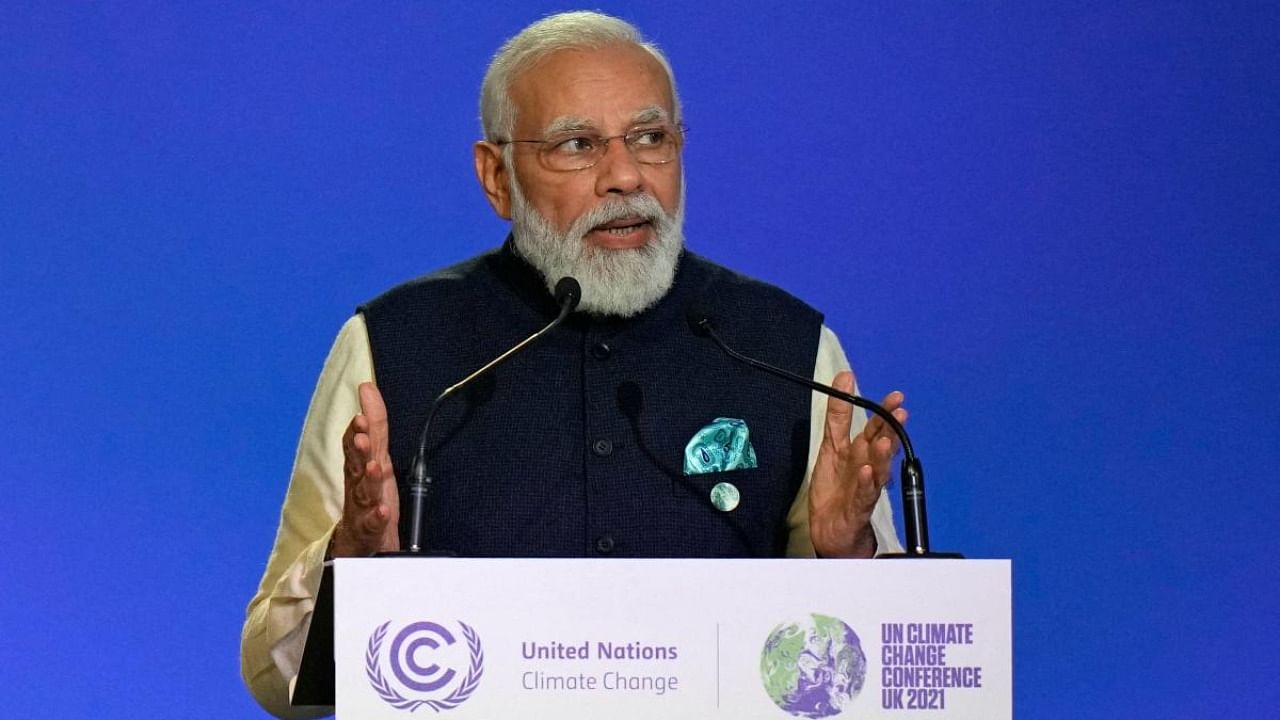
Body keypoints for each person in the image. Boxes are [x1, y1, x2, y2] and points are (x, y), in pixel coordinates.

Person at [241, 11, 908, 718]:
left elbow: (873, 680)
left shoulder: (788, 349)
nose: (625, 176)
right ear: (496, 177)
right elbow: (271, 675)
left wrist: (849, 561)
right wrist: (349, 557)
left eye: (651, 138)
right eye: (577, 145)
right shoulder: (394, 345)